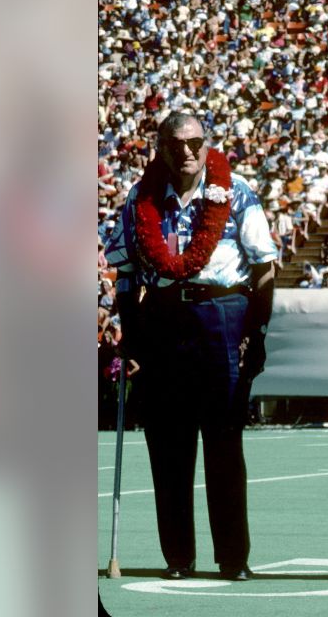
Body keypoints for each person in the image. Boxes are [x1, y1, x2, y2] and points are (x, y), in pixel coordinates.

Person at [106, 112, 277, 581]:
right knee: (168, 443)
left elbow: (263, 268)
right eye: (176, 143)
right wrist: (132, 340)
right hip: (162, 317)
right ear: (160, 147)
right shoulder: (140, 199)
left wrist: (256, 335)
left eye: (195, 142)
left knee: (223, 441)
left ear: (207, 145)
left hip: (219, 314)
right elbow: (124, 275)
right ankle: (178, 556)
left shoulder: (236, 192)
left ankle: (233, 557)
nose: (186, 152)